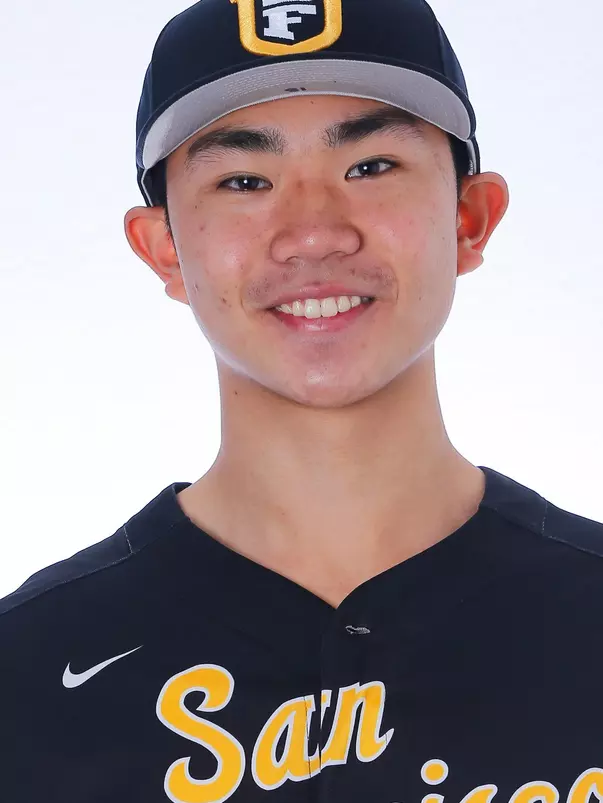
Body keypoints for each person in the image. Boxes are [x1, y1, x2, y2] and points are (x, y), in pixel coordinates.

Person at [2, 0, 603, 801]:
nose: (313, 232)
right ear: (164, 250)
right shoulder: (28, 674)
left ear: (469, 217)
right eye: (243, 180)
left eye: (369, 168)